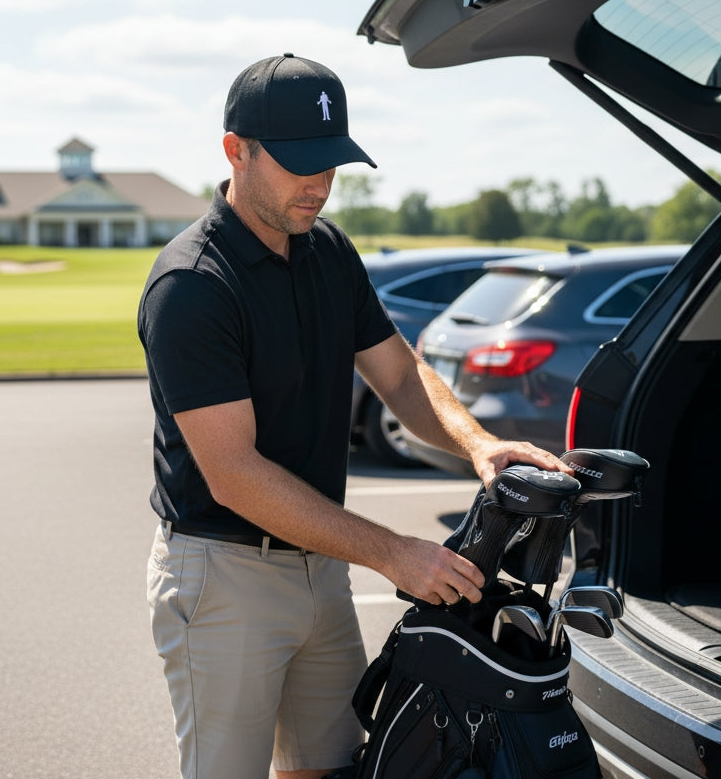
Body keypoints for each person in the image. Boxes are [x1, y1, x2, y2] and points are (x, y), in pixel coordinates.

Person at [137, 52, 572, 779]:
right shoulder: (192, 286)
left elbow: (400, 373)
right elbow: (235, 475)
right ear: (234, 152)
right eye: (298, 162)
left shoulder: (328, 251)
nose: (319, 184)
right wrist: (393, 553)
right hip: (224, 574)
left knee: (330, 768)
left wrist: (479, 443)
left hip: (322, 564)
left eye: (331, 162)